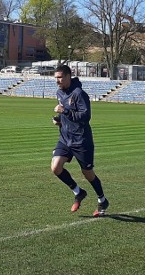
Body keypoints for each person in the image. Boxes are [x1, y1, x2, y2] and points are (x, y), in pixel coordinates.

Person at [51, 65, 109, 217]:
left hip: (81, 140)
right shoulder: (59, 92)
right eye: (56, 77)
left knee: (87, 173)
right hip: (65, 138)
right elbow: (68, 117)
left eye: (60, 77)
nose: (58, 80)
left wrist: (65, 111)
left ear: (69, 76)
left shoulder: (79, 94)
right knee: (55, 167)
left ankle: (102, 200)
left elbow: (85, 117)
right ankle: (78, 192)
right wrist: (60, 121)